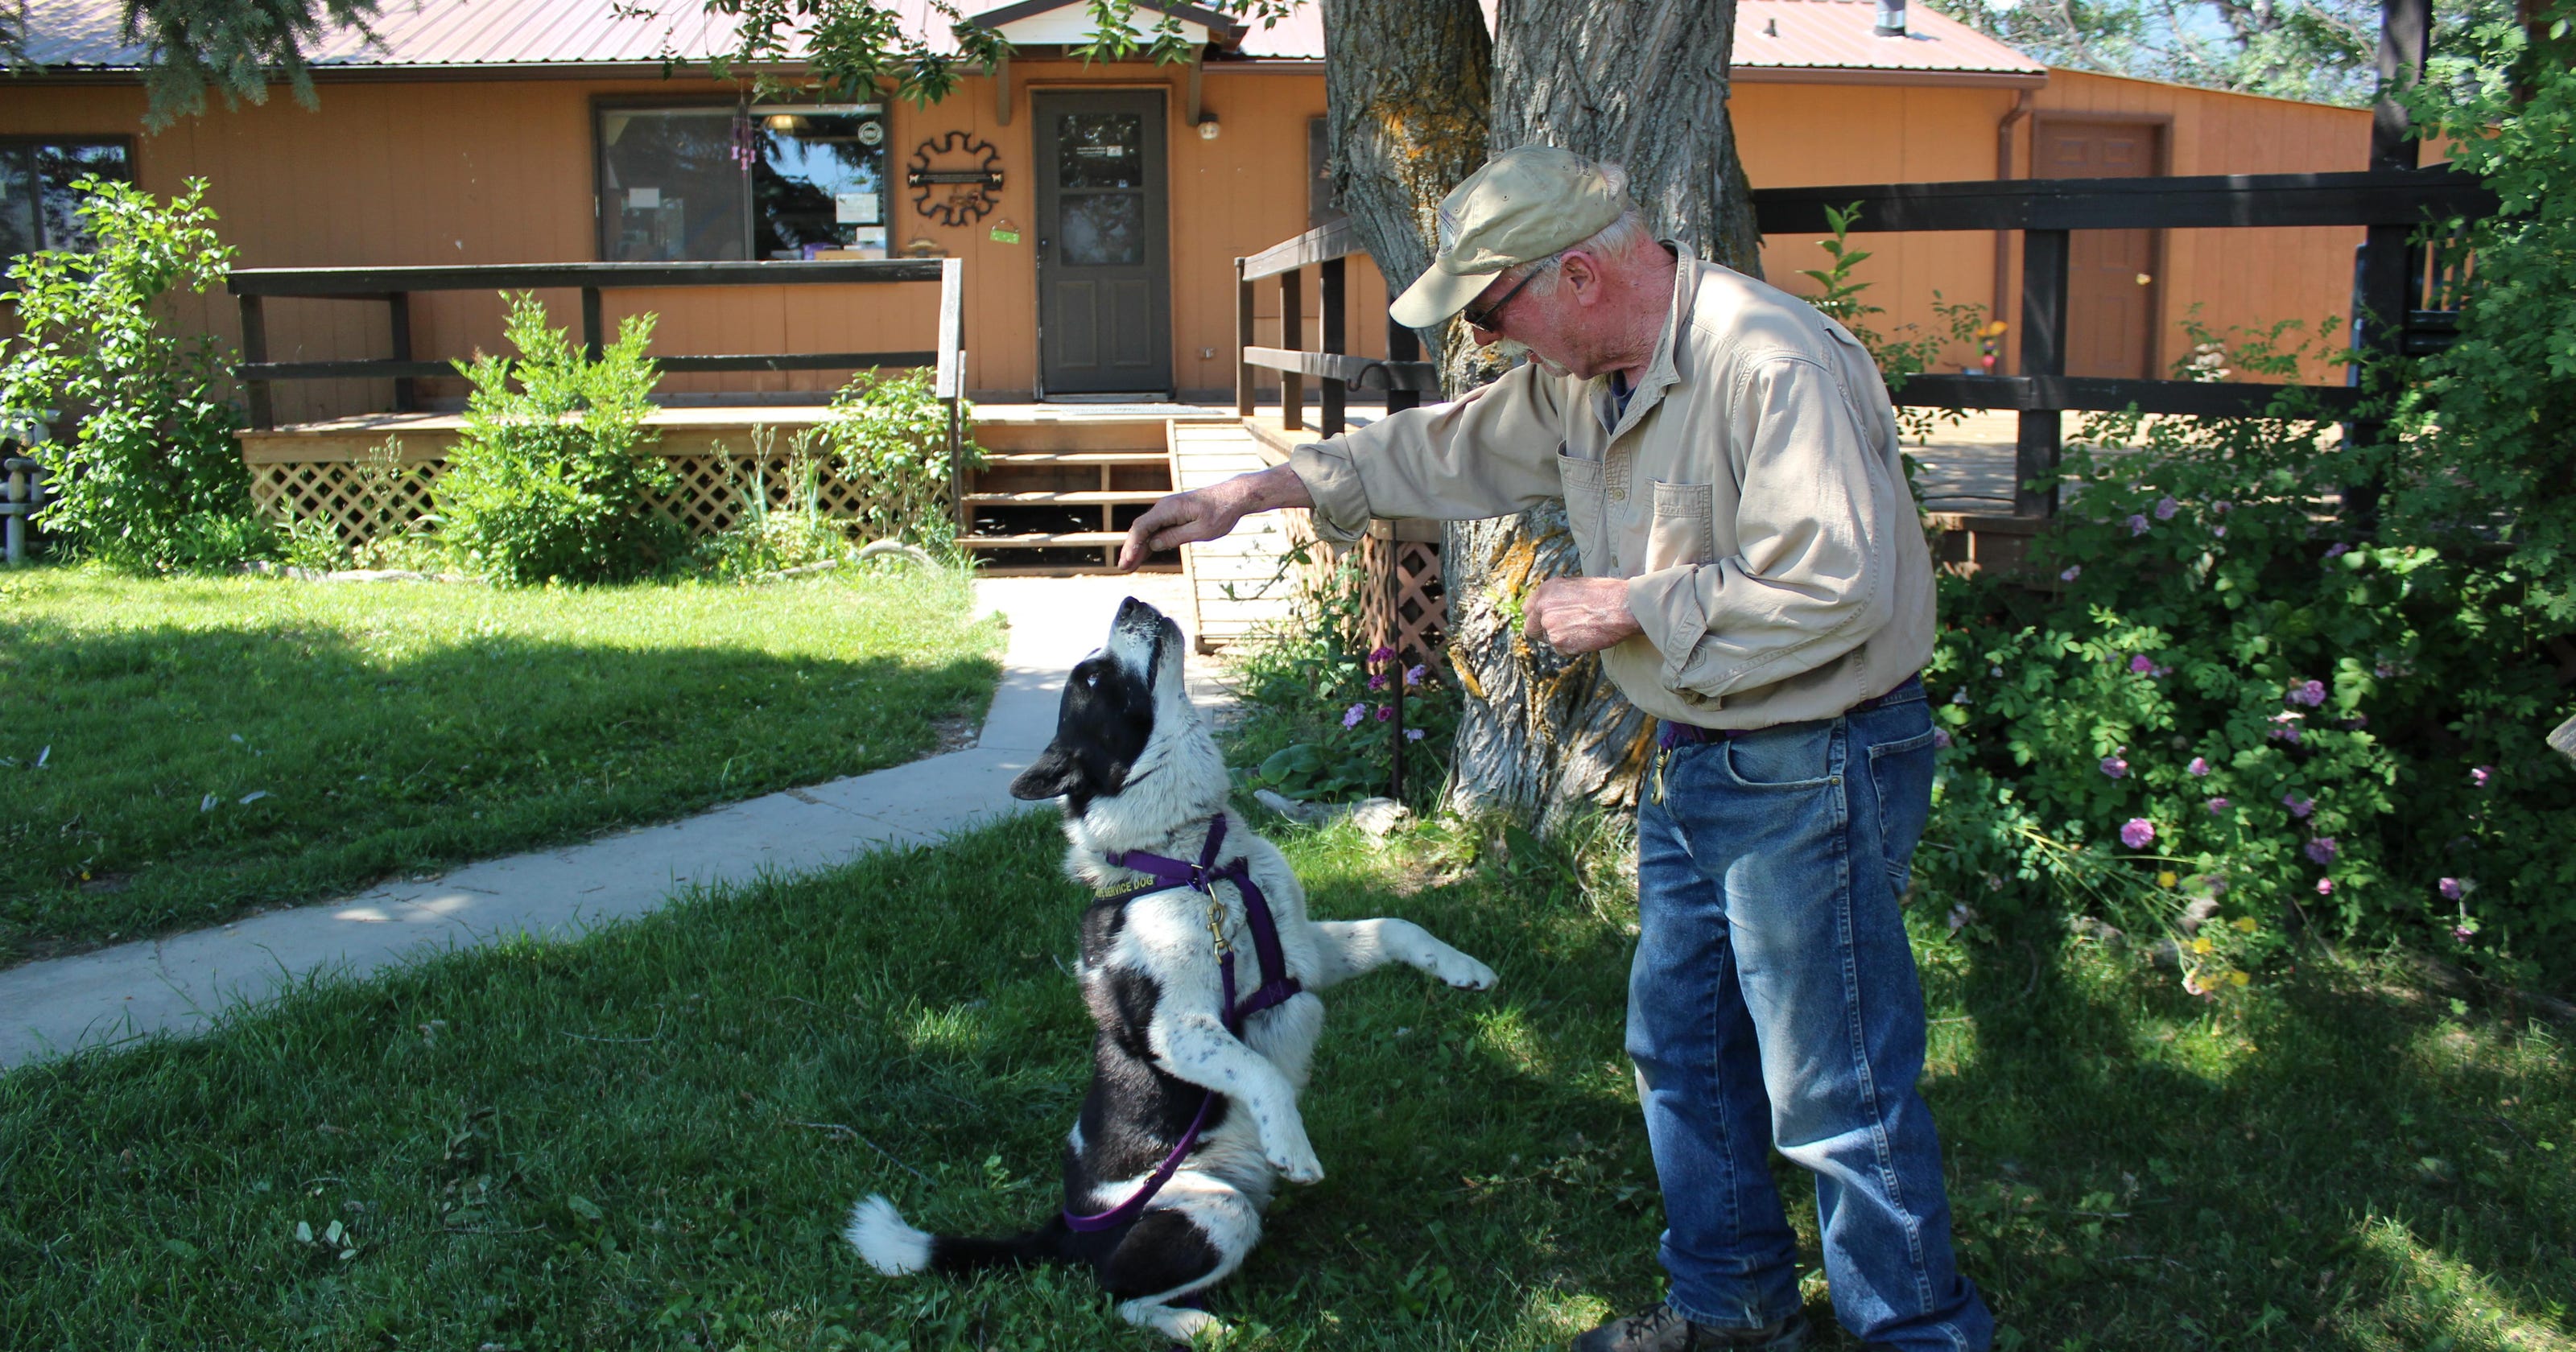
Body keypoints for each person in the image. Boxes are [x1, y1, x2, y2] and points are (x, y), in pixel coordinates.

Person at [1115, 146, 1992, 1352]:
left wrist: (1632, 605)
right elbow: (1449, 444)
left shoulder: (1768, 360)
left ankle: (1920, 1332)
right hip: (1701, 749)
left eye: (1492, 311)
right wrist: (1256, 492)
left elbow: (1836, 583)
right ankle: (1730, 1310)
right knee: (1680, 1045)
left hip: (1817, 757)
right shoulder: (1589, 373)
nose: (1488, 341)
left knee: (1833, 1088)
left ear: (1576, 273)